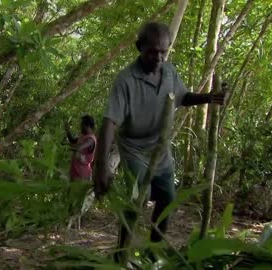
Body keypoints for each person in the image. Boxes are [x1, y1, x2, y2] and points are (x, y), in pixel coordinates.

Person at [92, 22, 227, 262]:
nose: (158, 57)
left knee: (167, 200)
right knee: (138, 200)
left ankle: (152, 252)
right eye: (152, 51)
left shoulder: (170, 72)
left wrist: (208, 97)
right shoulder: (125, 81)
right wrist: (100, 166)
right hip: (133, 148)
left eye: (163, 51)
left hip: (160, 147)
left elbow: (183, 97)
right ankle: (121, 254)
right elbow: (110, 123)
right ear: (139, 47)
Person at [65, 115, 97, 229]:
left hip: (82, 173)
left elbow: (79, 147)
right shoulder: (83, 136)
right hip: (75, 171)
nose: (80, 127)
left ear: (87, 125)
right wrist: (67, 130)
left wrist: (70, 147)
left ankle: (74, 224)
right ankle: (71, 222)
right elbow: (73, 141)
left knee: (77, 198)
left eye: (82, 124)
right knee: (71, 196)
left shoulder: (91, 139)